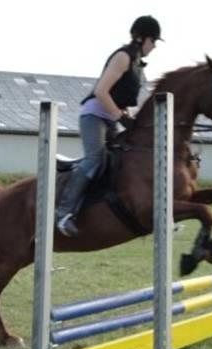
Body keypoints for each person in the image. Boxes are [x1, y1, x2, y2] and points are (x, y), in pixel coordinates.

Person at [55, 15, 161, 237]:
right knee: (95, 158)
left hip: (110, 118)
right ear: (141, 37)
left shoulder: (138, 65)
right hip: (94, 115)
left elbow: (122, 99)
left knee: (119, 158)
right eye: (153, 40)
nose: (154, 46)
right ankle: (63, 213)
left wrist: (129, 119)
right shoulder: (123, 57)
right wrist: (120, 118)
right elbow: (101, 91)